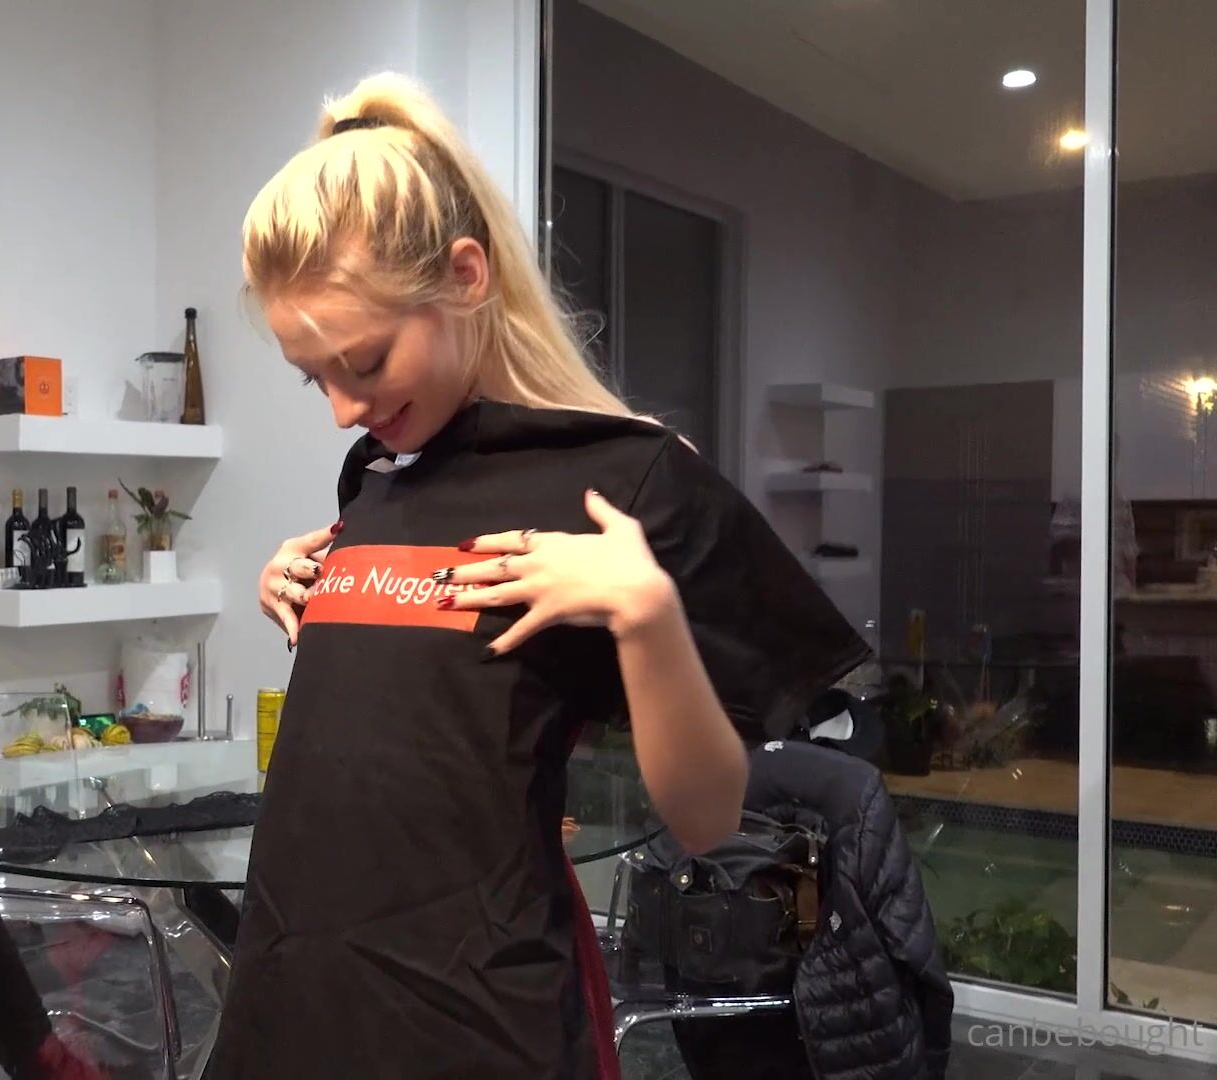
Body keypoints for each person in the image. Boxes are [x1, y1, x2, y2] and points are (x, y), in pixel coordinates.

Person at [207, 74, 871, 1080]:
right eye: (316, 378)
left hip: (476, 1025)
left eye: (365, 363)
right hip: (294, 995)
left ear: (465, 276)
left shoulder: (628, 481)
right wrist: (314, 582)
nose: (342, 409)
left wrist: (647, 615)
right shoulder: (379, 468)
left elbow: (708, 818)